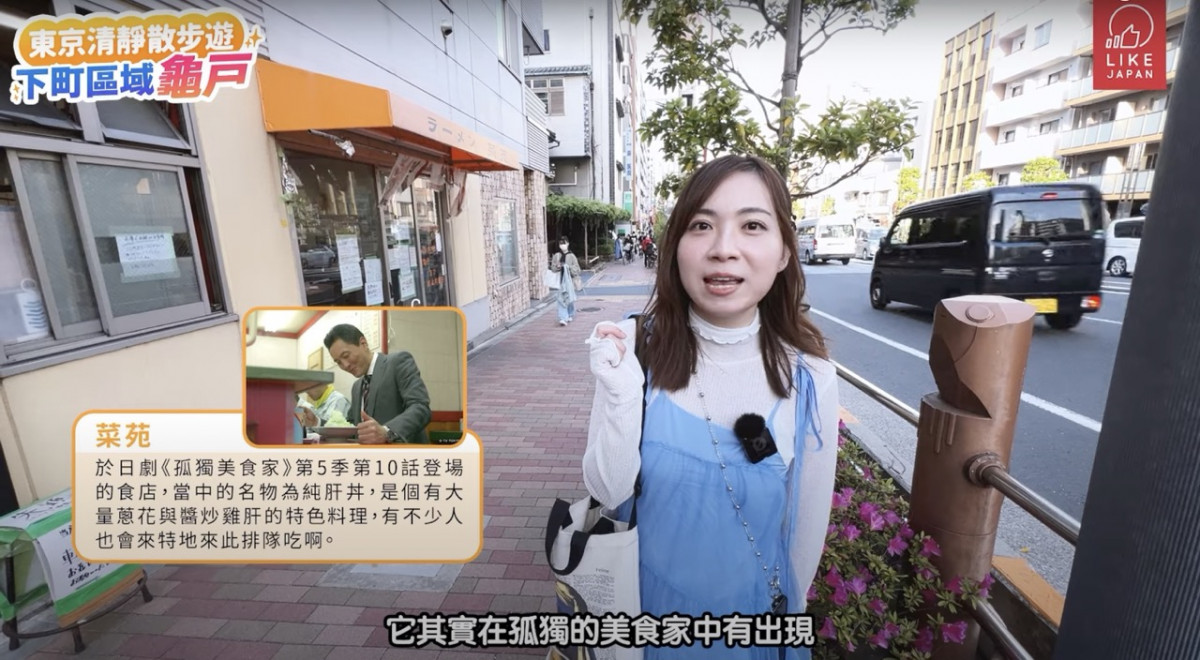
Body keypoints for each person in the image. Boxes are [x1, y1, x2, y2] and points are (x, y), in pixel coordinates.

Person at [583, 154, 840, 659]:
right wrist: (618, 393)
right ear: (676, 245)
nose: (724, 249)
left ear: (786, 251)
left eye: (752, 226)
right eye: (702, 225)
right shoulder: (634, 348)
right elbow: (606, 490)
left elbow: (804, 538)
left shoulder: (810, 378)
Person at [323, 323, 432, 444]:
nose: (345, 365)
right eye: (338, 362)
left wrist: (387, 432)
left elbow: (420, 407)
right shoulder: (357, 387)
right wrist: (317, 423)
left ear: (363, 343)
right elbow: (350, 425)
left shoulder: (398, 362)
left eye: (346, 356)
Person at [551, 236, 583, 326]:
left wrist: (568, 267)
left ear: (568, 244)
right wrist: (557, 267)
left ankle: (570, 313)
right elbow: (553, 268)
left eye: (564, 243)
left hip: (570, 281)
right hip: (560, 281)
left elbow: (577, 269)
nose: (562, 245)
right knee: (561, 299)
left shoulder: (572, 256)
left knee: (569, 298)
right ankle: (563, 318)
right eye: (561, 244)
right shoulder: (557, 255)